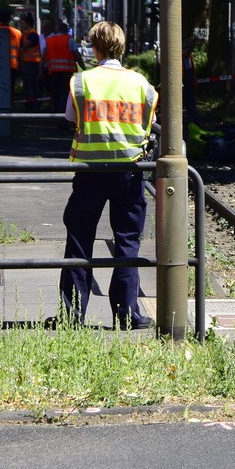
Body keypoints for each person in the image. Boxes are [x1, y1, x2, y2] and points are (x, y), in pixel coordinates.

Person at [55, 21, 158, 330]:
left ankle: (72, 317)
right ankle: (127, 315)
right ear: (122, 47)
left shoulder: (80, 82)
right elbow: (147, 124)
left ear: (95, 47)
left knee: (79, 239)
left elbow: (70, 120)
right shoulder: (142, 85)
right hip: (129, 172)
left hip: (89, 172)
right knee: (127, 241)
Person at [43, 20, 81, 114]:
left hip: (52, 72)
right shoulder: (69, 40)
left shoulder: (48, 40)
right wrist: (83, 68)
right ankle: (63, 116)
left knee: (54, 93)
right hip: (66, 73)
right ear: (66, 30)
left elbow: (43, 57)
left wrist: (41, 72)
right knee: (64, 95)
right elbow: (77, 55)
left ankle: (55, 113)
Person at [18, 12, 42, 110]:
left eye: (23, 23)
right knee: (28, 84)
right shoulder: (26, 34)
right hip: (28, 62)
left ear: (27, 23)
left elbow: (23, 46)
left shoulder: (32, 34)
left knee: (31, 84)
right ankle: (29, 103)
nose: (21, 25)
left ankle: (33, 104)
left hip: (32, 63)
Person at [0, 10, 22, 97]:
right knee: (10, 89)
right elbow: (20, 51)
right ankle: (10, 106)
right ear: (10, 19)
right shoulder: (18, 33)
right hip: (13, 65)